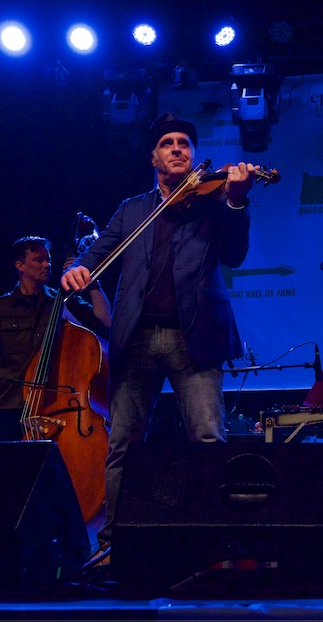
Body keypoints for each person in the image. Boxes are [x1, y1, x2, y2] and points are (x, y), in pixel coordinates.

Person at [61, 113, 259, 548]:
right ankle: (114, 544)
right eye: (168, 143)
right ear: (154, 157)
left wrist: (237, 201)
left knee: (208, 438)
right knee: (123, 445)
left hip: (196, 338)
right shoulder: (132, 209)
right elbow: (95, 255)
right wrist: (77, 271)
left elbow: (235, 254)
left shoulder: (213, 202)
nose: (177, 148)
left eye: (185, 143)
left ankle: (216, 542)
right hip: (137, 340)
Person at [0, 236, 111, 441]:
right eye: (39, 260)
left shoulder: (64, 301)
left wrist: (93, 283)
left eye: (49, 259)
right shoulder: (0, 307)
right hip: (11, 407)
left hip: (57, 406)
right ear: (20, 266)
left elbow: (105, 323)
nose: (47, 265)